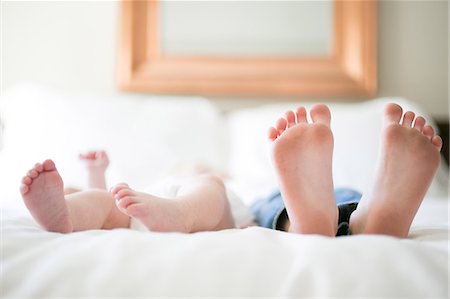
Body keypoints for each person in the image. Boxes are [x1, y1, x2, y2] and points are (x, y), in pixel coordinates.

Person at [19, 103, 442, 238]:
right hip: (146, 207)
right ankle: (67, 217)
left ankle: (342, 216)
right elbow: (111, 197)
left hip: (216, 210)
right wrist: (97, 178)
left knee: (214, 187)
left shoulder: (224, 179)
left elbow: (211, 187)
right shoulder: (145, 186)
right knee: (101, 202)